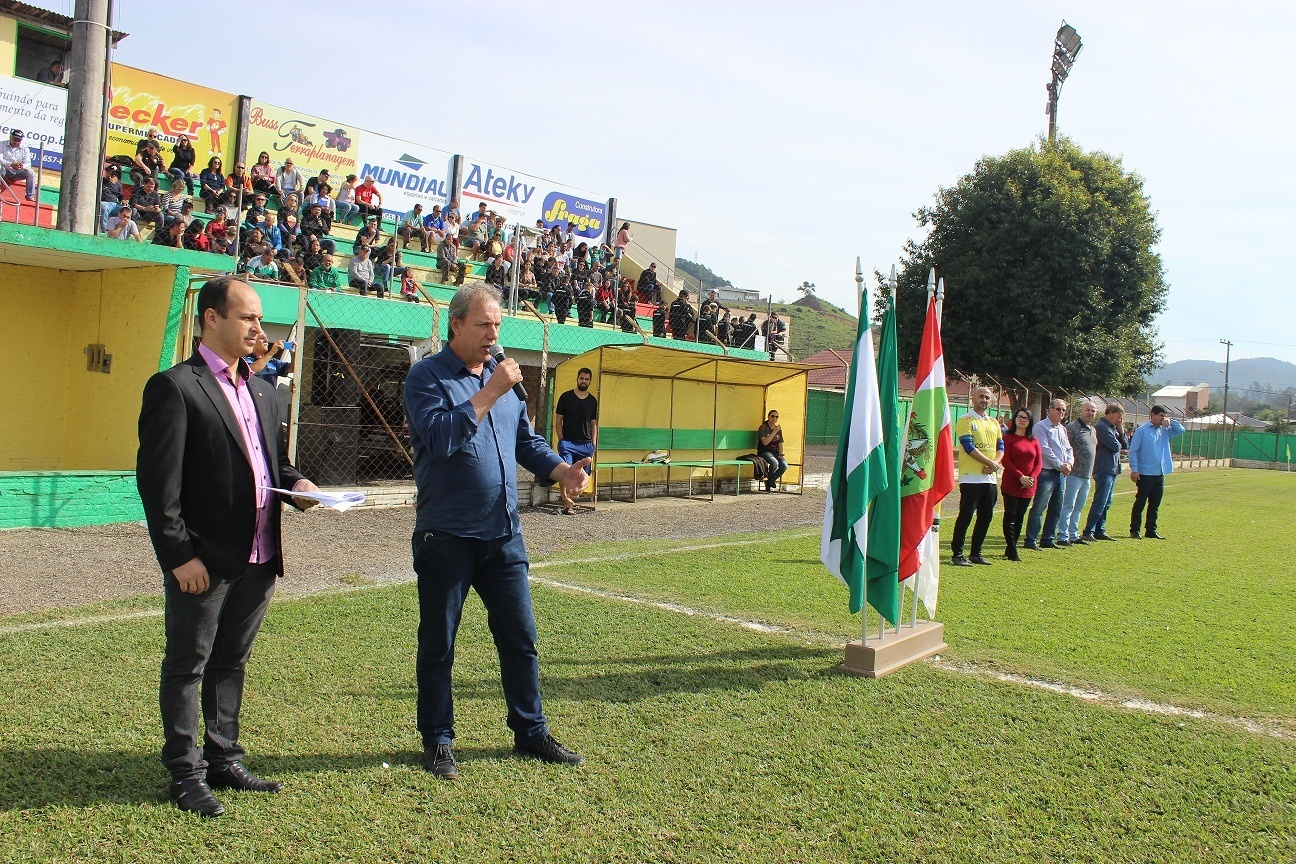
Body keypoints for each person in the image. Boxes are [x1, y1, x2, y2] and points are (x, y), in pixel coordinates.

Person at [136, 276, 319, 817]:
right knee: (188, 665)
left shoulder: (263, 389)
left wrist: (301, 485)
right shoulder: (175, 387)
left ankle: (223, 756)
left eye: (260, 319)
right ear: (211, 319)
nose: (259, 330)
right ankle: (185, 773)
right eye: (248, 318)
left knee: (231, 661)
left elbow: (271, 465)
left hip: (260, 556)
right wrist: (178, 556)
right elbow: (157, 486)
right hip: (204, 560)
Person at [402, 284, 590, 780]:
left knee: (520, 637)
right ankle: (438, 740)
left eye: (498, 326)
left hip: (504, 533)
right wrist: (489, 391)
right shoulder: (427, 378)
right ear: (456, 326)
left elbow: (525, 442)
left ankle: (530, 731)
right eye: (484, 325)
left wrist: (561, 472)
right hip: (447, 536)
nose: (493, 336)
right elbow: (442, 438)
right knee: (439, 642)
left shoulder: (499, 382)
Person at [950, 387, 1004, 566]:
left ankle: (976, 553)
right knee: (965, 516)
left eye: (988, 397)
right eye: (981, 396)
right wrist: (990, 463)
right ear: (973, 398)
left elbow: (1001, 448)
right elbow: (968, 446)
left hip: (990, 479)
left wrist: (994, 463)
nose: (984, 400)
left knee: (986, 517)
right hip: (971, 478)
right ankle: (957, 554)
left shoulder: (994, 423)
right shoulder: (965, 420)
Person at [1127, 405, 1185, 539]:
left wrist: (1172, 422)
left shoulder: (1165, 430)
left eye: (1164, 416)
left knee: (1155, 504)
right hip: (1145, 473)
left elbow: (1181, 431)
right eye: (1160, 416)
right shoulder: (1142, 431)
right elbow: (1133, 451)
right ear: (1152, 415)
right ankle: (1135, 530)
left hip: (1159, 473)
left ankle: (1151, 530)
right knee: (1140, 502)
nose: (1162, 419)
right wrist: (1134, 469)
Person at [1024, 399, 1074, 550]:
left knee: (1056, 508)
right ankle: (1031, 540)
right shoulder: (1041, 427)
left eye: (1064, 410)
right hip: (1047, 473)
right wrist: (1060, 465)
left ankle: (1048, 538)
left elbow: (1068, 449)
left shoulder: (1062, 429)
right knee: (1039, 507)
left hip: (1061, 474)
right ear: (1050, 409)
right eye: (1058, 409)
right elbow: (1044, 450)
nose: (1061, 412)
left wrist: (1069, 463)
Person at [999, 408, 1042, 561]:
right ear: (1015, 419)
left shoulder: (1034, 440)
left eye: (1026, 418)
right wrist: (1020, 477)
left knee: (1020, 518)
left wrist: (1031, 478)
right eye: (1019, 417)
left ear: (1030, 422)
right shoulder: (1007, 438)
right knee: (1010, 516)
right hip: (1012, 483)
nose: (1022, 420)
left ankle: (1011, 547)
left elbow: (1038, 462)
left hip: (1029, 485)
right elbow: (1006, 461)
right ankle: (1012, 549)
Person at [553, 367, 598, 515]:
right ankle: (565, 498)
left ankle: (570, 503)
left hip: (586, 445)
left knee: (579, 479)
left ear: (590, 381)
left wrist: (593, 444)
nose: (583, 381)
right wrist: (562, 440)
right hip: (569, 443)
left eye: (586, 379)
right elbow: (558, 420)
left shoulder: (592, 401)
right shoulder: (566, 397)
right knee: (565, 470)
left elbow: (593, 423)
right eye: (581, 378)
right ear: (577, 379)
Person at [1081, 404, 1128, 542]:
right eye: (1118, 416)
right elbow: (1115, 446)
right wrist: (1119, 446)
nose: (1120, 420)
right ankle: (1088, 530)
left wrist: (1120, 429)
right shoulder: (1101, 427)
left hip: (1112, 468)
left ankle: (1099, 530)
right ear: (1111, 413)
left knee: (1107, 501)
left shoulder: (1113, 428)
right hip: (1104, 468)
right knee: (1100, 501)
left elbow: (1124, 445)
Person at [1058, 400, 1099, 545]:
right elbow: (1064, 448)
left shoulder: (1092, 430)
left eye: (1093, 411)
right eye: (1087, 410)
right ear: (1080, 411)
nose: (1090, 413)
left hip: (1086, 475)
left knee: (1079, 507)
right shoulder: (1072, 428)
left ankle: (1073, 534)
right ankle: (1062, 535)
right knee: (1068, 505)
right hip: (1073, 474)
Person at [1, 129, 37, 202]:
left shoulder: (24, 148)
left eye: (19, 140)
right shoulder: (2, 145)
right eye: (15, 139)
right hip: (5, 171)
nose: (16, 142)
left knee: (31, 172)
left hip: (18, 172)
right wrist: (11, 164)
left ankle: (30, 195)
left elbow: (28, 163)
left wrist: (21, 166)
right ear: (10, 137)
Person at [757, 410, 788, 492]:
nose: (774, 418)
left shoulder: (778, 428)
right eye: (772, 416)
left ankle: (770, 481)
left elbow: (780, 443)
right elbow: (765, 442)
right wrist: (774, 431)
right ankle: (770, 484)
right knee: (774, 463)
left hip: (775, 452)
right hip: (765, 450)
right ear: (768, 416)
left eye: (776, 417)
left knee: (784, 466)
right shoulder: (763, 428)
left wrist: (781, 453)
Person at [100, 163, 124, 229]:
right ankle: (104, 229)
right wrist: (109, 183)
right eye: (108, 172)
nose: (110, 175)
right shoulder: (102, 181)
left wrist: (123, 200)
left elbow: (120, 196)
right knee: (104, 207)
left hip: (114, 204)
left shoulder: (118, 185)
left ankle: (122, 230)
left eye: (113, 174)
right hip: (104, 202)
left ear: (117, 176)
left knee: (126, 210)